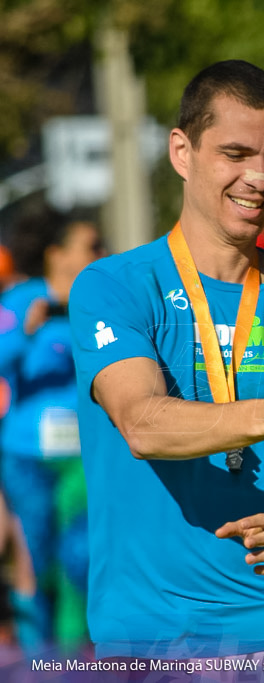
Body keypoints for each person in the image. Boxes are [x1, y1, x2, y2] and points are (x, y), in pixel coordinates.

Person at [67, 60, 264, 663]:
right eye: (236, 153)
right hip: (151, 638)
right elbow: (142, 424)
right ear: (182, 151)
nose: (259, 178)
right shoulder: (114, 286)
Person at [0, 205, 104, 656]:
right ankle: (33, 659)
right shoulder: (21, 300)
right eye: (92, 246)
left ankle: (72, 658)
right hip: (26, 459)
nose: (103, 253)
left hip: (82, 457)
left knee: (80, 558)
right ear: (57, 253)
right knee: (33, 562)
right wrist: (26, 331)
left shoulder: (102, 303)